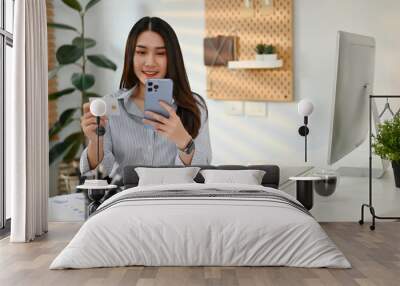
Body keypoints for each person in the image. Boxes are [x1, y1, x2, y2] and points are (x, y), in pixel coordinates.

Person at [79, 16, 212, 180]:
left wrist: (183, 141)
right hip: (126, 201)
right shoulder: (112, 105)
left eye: (161, 53)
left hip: (177, 202)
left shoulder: (195, 106)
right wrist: (95, 142)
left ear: (172, 57)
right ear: (131, 56)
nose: (150, 62)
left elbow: (203, 174)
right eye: (141, 52)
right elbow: (97, 174)